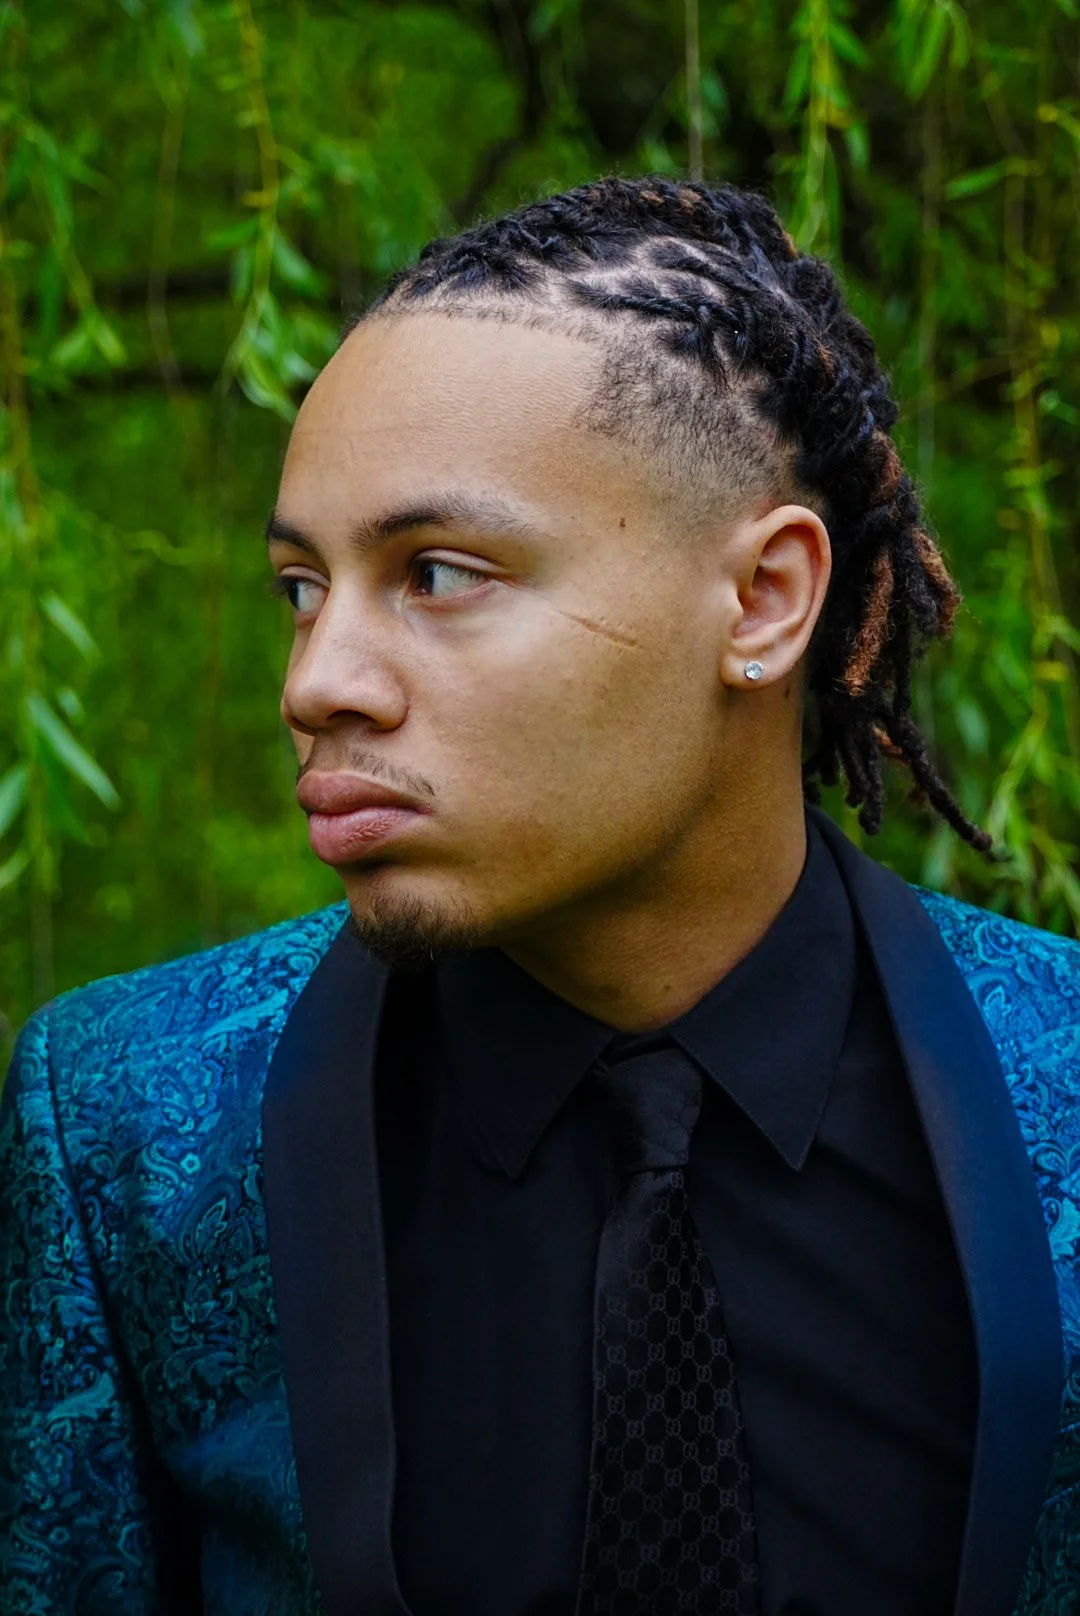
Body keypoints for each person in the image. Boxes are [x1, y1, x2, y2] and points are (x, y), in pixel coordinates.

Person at [1, 176, 1077, 1616]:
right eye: (301, 586)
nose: (317, 682)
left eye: (439, 574)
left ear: (764, 600)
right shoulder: (124, 1126)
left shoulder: (1061, 1079)